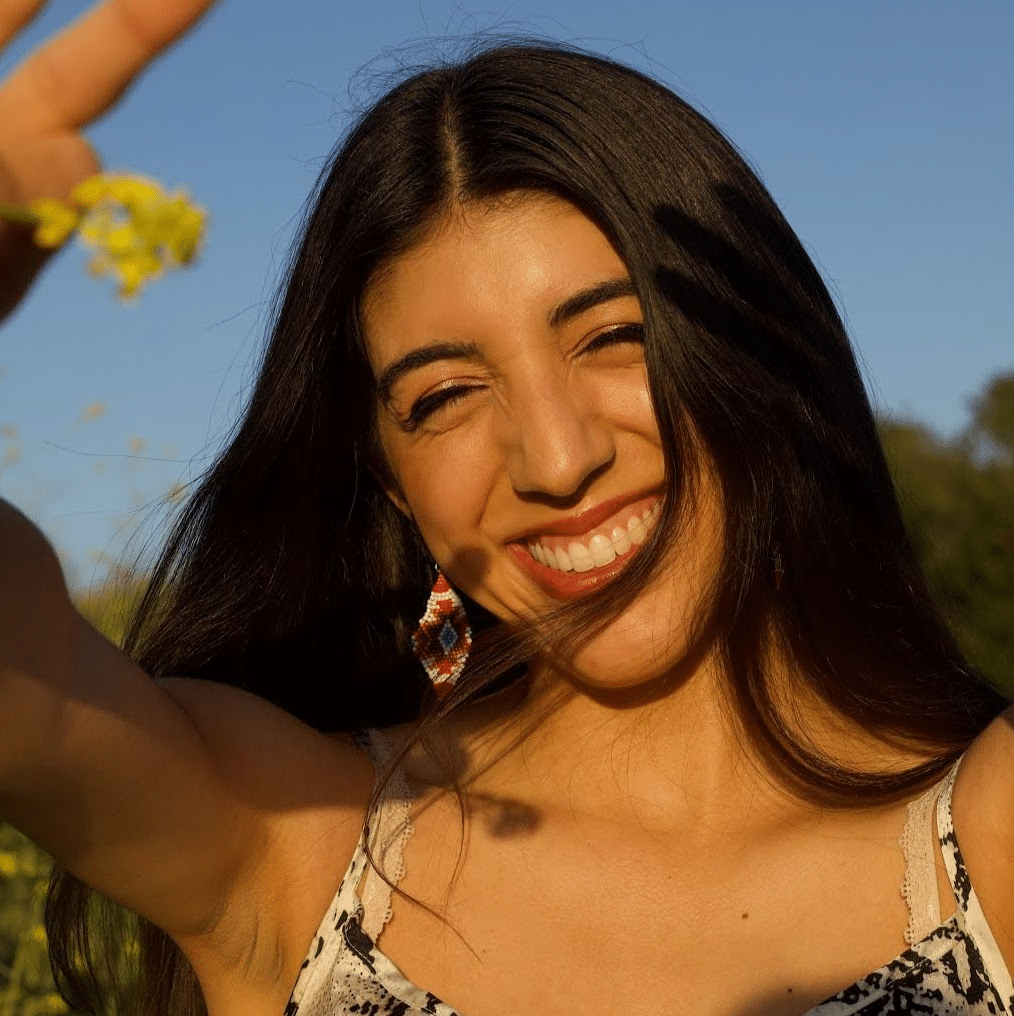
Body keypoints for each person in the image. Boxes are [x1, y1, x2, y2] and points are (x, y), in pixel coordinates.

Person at [1, 2, 1011, 1015]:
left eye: (614, 335)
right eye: (444, 396)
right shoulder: (290, 838)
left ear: (759, 351)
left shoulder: (987, 835)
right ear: (391, 477)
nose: (559, 459)